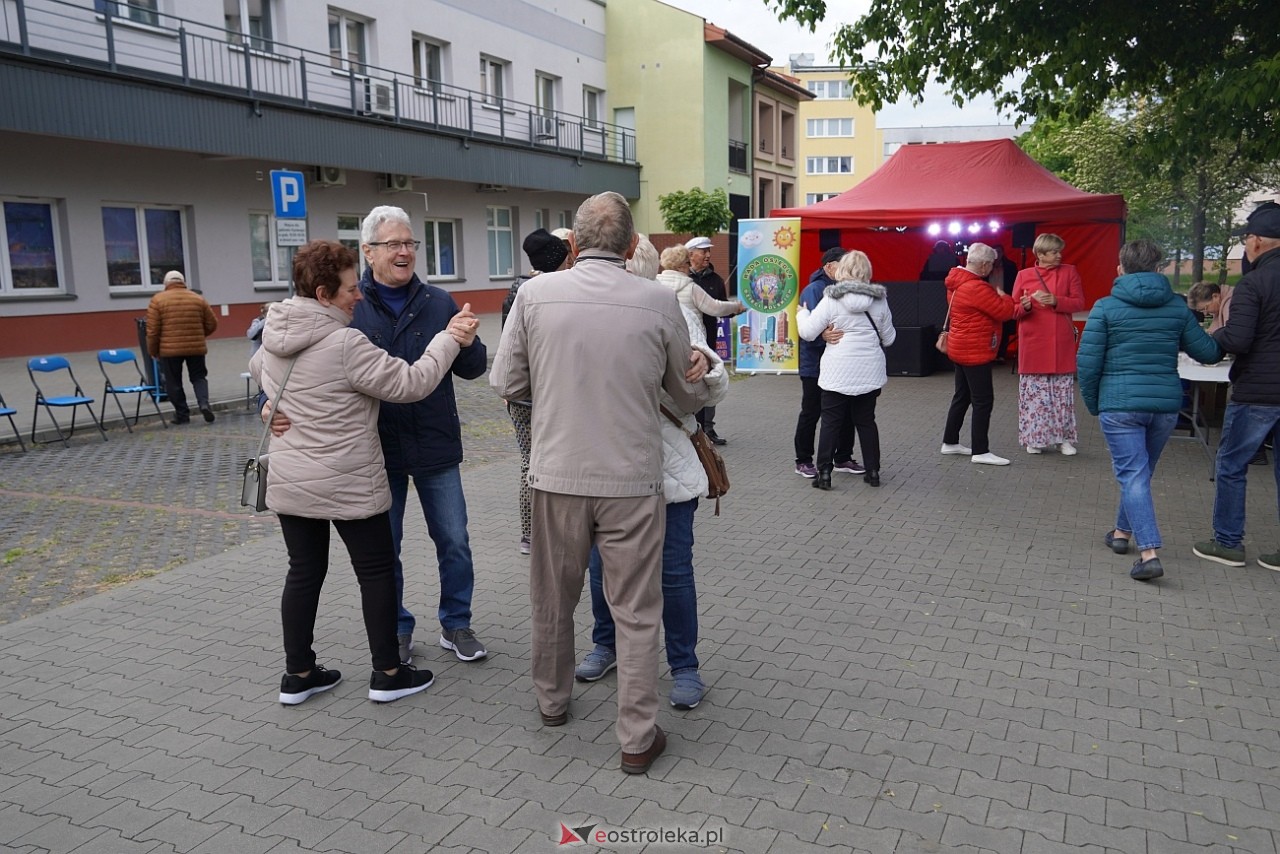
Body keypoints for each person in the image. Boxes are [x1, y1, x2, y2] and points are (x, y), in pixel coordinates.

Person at [491, 191, 711, 775]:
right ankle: (637, 738)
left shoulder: (533, 295)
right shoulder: (656, 300)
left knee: (552, 597)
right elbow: (685, 396)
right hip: (632, 479)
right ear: (635, 245)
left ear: (574, 243)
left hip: (556, 473)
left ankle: (552, 702)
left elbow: (505, 380)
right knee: (637, 608)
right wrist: (702, 369)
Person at [250, 240, 477, 705]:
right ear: (322, 293)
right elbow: (412, 383)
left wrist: (270, 405)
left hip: (293, 481)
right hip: (348, 478)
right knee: (375, 572)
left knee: (303, 573)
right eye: (351, 289)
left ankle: (299, 674)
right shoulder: (345, 343)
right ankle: (388, 673)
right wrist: (449, 339)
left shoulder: (273, 332)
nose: (358, 296)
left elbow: (260, 373)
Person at [576, 249, 730, 711]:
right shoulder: (591, 316)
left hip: (669, 467)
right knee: (602, 566)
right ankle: (607, 646)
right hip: (607, 466)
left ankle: (684, 666)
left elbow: (711, 385)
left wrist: (707, 363)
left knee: (674, 572)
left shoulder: (670, 309)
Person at [353, 206, 490, 666]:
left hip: (434, 442)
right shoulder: (350, 307)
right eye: (394, 244)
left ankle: (457, 623)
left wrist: (469, 344)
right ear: (368, 251)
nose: (405, 252)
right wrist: (268, 401)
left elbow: (471, 370)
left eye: (410, 243)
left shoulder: (437, 302)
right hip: (377, 447)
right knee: (383, 548)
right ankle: (395, 629)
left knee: (454, 539)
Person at [1077, 239, 1222, 582]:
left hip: (1120, 404)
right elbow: (1208, 352)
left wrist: (1095, 403)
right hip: (1164, 406)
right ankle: (1121, 535)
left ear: (1120, 269)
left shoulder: (1105, 308)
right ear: (1159, 269)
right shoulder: (1175, 308)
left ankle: (1149, 553)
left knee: (1133, 475)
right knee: (1139, 474)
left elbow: (1087, 364)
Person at [1194, 201, 1280, 570]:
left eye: (1246, 240)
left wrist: (1218, 335)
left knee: (1231, 464)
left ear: (1257, 241)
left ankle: (1228, 543)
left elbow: (1240, 339)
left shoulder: (1254, 283)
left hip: (1259, 390)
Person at [796, 250, 896, 489]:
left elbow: (808, 332)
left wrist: (803, 314)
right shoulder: (880, 300)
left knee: (830, 422)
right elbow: (889, 338)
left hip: (837, 371)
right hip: (869, 371)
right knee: (866, 421)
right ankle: (873, 472)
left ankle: (824, 474)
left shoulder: (831, 299)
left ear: (842, 271)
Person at [502, 229, 572, 556]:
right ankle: (545, 532)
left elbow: (507, 346)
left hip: (519, 395)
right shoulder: (554, 292)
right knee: (545, 462)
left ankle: (531, 535)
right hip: (542, 394)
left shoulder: (516, 290)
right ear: (559, 259)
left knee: (530, 461)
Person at [940, 243, 1017, 465]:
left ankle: (950, 441)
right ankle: (981, 450)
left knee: (962, 396)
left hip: (960, 346)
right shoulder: (976, 287)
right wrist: (1004, 296)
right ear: (983, 265)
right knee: (983, 400)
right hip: (975, 349)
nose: (992, 269)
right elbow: (1004, 312)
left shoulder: (956, 282)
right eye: (991, 264)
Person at [1011, 233, 1086, 455]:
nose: (1059, 255)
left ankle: (1063, 439)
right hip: (1033, 342)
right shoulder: (1023, 275)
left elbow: (1079, 302)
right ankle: (1034, 438)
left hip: (1059, 342)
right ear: (1041, 254)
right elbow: (1012, 310)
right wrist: (1024, 306)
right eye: (1054, 252)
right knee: (1035, 395)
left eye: (1059, 251)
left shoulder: (1069, 271)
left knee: (1062, 394)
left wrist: (1056, 301)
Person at [794, 247, 863, 479]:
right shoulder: (814, 290)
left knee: (845, 414)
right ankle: (803, 460)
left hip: (840, 365)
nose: (847, 270)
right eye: (843, 265)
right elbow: (808, 329)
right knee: (811, 413)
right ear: (829, 267)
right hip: (814, 365)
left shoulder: (845, 289)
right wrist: (822, 334)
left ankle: (843, 457)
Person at [146, 270, 218, 425]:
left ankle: (182, 414)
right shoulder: (198, 299)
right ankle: (204, 404)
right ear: (183, 282)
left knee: (173, 381)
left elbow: (152, 330)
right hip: (196, 348)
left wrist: (153, 351)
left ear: (166, 284)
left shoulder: (158, 300)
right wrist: (199, 336)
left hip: (169, 350)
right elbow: (212, 323)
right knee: (199, 377)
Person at [655, 244, 745, 349]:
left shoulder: (655, 285)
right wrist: (736, 307)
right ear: (679, 266)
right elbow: (715, 307)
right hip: (691, 341)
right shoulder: (690, 287)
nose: (690, 266)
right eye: (688, 263)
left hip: (664, 340)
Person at [686, 236, 730, 444]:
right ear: (691, 254)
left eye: (708, 251)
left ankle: (708, 429)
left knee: (710, 383)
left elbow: (722, 307)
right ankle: (692, 429)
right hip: (687, 344)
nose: (708, 255)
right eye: (703, 251)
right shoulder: (684, 280)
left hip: (709, 342)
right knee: (691, 383)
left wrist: (732, 309)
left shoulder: (716, 280)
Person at [990, 245, 1019, 361]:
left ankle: (1002, 354)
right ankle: (992, 353)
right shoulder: (986, 265)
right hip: (989, 298)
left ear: (1002, 253)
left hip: (1004, 297)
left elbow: (1015, 283)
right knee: (990, 327)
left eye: (999, 252)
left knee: (1005, 327)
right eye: (994, 252)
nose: (997, 254)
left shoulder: (1010, 266)